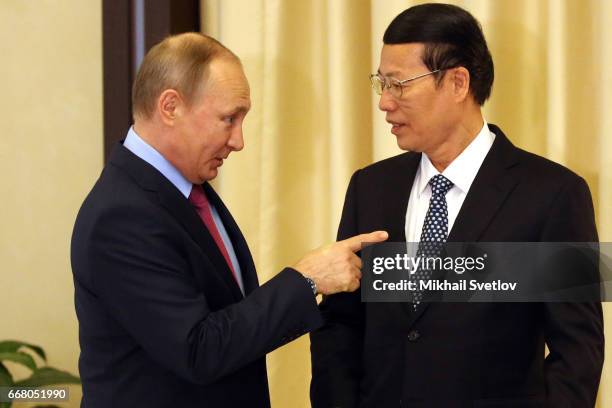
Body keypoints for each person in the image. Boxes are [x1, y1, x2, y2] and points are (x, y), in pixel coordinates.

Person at [70, 32, 387, 408]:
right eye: (229, 119)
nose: (239, 141)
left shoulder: (185, 188)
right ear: (170, 107)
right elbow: (199, 350)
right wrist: (307, 279)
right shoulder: (121, 216)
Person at [310, 3, 604, 407]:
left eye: (400, 84)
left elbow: (578, 353)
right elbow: (341, 327)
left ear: (458, 82)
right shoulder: (370, 187)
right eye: (382, 84)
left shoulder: (555, 195)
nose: (384, 103)